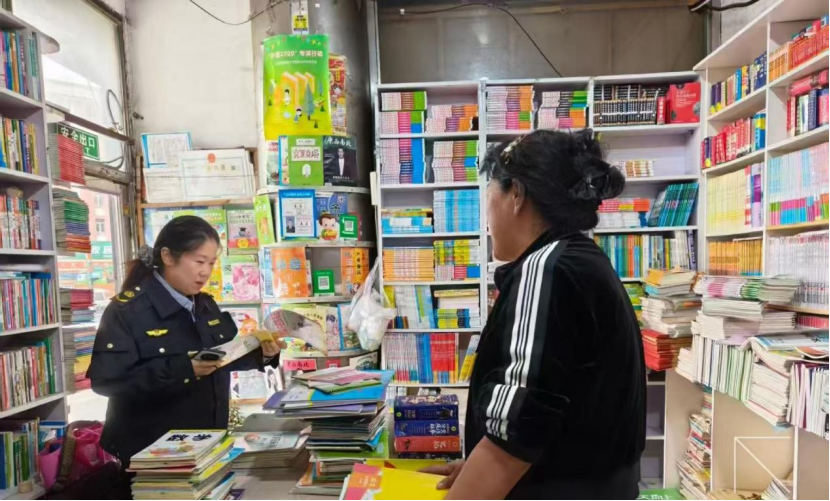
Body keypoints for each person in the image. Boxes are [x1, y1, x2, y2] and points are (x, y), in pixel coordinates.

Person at [423, 130, 645, 500]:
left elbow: (519, 426)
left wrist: (487, 470)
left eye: (489, 195)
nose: (488, 215)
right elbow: (566, 406)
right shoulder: (583, 259)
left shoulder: (545, 269)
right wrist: (475, 467)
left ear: (516, 195)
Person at [88, 216, 284, 466]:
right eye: (199, 261)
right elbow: (106, 382)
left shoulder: (205, 305)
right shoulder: (127, 310)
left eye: (211, 263)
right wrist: (183, 369)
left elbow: (221, 359)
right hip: (151, 454)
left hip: (207, 445)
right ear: (168, 257)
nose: (205, 272)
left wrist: (263, 354)